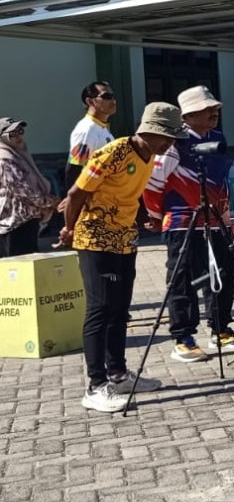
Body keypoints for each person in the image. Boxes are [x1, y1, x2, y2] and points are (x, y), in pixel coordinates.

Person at [59, 102, 183, 413]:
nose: (169, 144)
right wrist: (69, 230)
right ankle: (95, 385)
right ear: (150, 131)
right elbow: (76, 193)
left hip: (125, 239)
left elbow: (132, 194)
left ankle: (118, 374)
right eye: (167, 137)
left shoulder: (150, 157)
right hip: (95, 238)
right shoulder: (113, 153)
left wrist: (143, 217)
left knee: (119, 309)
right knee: (100, 308)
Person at [144, 86, 234, 364]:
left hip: (216, 219)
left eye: (215, 108)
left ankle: (221, 329)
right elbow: (153, 183)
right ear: (189, 115)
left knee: (222, 273)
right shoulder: (173, 142)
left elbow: (221, 180)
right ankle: (183, 338)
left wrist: (226, 214)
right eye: (207, 109)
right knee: (183, 279)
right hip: (182, 220)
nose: (214, 113)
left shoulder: (217, 137)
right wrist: (155, 217)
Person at [0, 118, 59, 257]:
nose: (18, 136)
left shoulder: (18, 154)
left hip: (26, 221)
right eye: (12, 134)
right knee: (18, 265)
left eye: (20, 131)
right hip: (15, 224)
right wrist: (50, 201)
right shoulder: (5, 158)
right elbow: (23, 191)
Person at [66, 81, 117, 188]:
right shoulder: (87, 129)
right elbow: (74, 170)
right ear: (90, 101)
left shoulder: (101, 128)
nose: (112, 100)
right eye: (106, 96)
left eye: (113, 96)